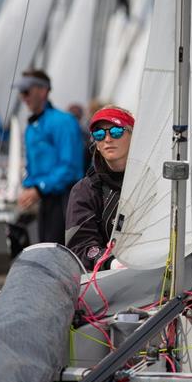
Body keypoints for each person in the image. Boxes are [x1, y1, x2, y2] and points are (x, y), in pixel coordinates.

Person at [17, 69, 84, 244]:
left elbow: (70, 166)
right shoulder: (32, 126)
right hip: (43, 199)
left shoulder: (64, 121)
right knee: (41, 250)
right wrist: (28, 188)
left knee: (57, 251)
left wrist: (38, 189)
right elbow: (33, 166)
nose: (23, 97)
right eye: (21, 92)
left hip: (64, 199)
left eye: (26, 91)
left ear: (43, 91)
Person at [65, 106, 134, 270]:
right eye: (99, 134)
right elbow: (80, 245)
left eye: (116, 131)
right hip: (110, 279)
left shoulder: (156, 180)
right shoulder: (84, 191)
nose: (108, 139)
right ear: (95, 143)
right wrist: (111, 262)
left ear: (134, 136)